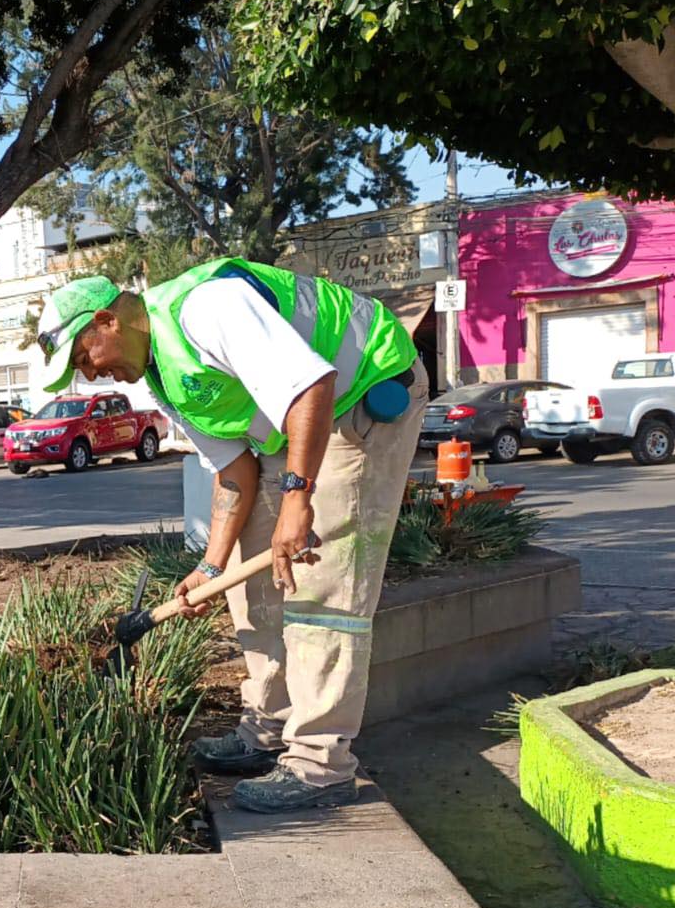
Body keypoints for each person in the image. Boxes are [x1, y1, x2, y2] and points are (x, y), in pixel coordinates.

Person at [36, 259, 426, 813]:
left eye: (83, 357)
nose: (88, 374)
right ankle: (268, 726)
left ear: (106, 321)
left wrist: (298, 497)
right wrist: (212, 569)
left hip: (360, 395)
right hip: (289, 423)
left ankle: (321, 762)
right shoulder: (164, 381)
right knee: (252, 584)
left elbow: (312, 385)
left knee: (322, 586)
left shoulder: (205, 310)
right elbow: (233, 473)